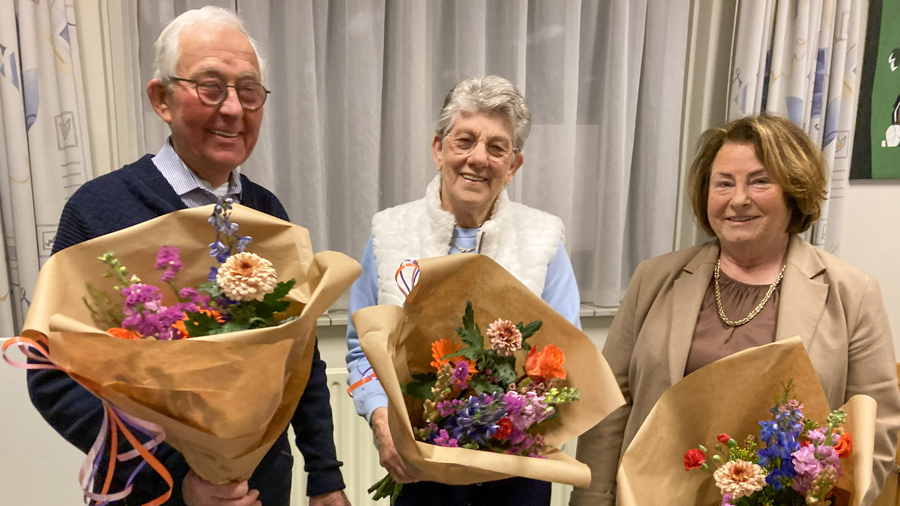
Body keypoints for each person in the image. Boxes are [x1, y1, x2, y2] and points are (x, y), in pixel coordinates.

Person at [26, 7, 351, 506]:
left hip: (264, 487)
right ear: (162, 98)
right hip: (146, 493)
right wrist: (175, 479)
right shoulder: (98, 211)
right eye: (210, 87)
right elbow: (52, 375)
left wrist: (325, 478)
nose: (233, 109)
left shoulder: (268, 214)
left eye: (248, 91)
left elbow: (298, 359)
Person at [569, 114, 900, 506]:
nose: (738, 199)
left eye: (759, 181)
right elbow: (611, 407)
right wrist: (592, 499)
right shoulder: (654, 278)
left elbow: (876, 427)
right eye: (723, 183)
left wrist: (830, 497)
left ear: (794, 191)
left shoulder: (852, 293)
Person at [344, 75, 582, 506]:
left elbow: (565, 357)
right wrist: (383, 421)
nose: (478, 159)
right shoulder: (388, 234)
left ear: (514, 166)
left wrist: (522, 422)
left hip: (515, 470)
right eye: (464, 140)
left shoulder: (544, 241)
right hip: (418, 469)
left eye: (497, 148)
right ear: (438, 149)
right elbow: (362, 349)